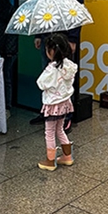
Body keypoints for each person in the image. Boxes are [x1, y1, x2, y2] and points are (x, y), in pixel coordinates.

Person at [33, 0, 85, 130]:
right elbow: (41, 11)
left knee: (63, 77)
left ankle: (66, 116)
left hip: (64, 40)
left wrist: (72, 39)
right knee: (46, 75)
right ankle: (46, 111)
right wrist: (38, 35)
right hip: (48, 37)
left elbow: (77, 15)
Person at [36, 34, 77, 170]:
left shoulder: (51, 69)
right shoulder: (69, 66)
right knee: (60, 129)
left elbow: (41, 83)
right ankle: (67, 156)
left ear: (51, 51)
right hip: (65, 103)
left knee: (49, 131)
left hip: (53, 104)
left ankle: (50, 160)